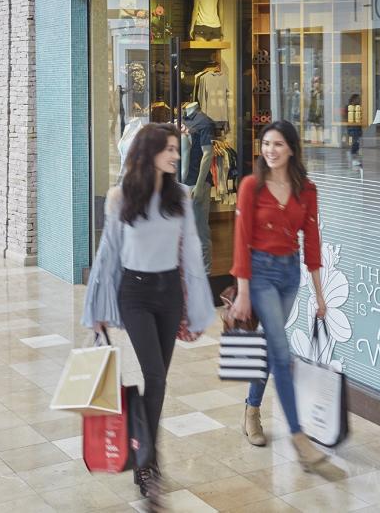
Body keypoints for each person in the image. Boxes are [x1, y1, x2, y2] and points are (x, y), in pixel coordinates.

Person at [82, 123, 215, 505]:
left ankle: (144, 455)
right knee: (153, 373)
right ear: (149, 151)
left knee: (157, 382)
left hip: (169, 292)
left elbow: (191, 252)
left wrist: (202, 310)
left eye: (177, 148)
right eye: (169, 149)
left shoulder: (182, 197)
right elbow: (108, 255)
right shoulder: (121, 197)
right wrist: (96, 308)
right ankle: (147, 461)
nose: (176, 154)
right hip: (134, 293)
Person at [230, 119, 329, 470]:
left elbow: (313, 246)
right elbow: (241, 241)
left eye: (277, 145)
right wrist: (242, 291)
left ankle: (251, 408)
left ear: (291, 149)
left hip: (289, 274)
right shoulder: (251, 186)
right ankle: (298, 435)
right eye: (265, 144)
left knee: (271, 346)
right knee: (281, 349)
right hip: (259, 274)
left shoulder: (307, 191)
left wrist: (319, 296)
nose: (270, 150)